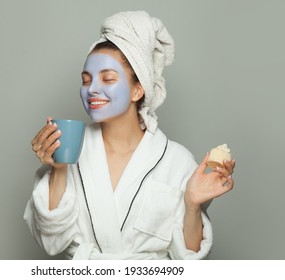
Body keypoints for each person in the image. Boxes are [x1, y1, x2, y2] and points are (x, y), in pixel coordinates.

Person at [24, 11, 235, 260]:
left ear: (138, 89)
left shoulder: (176, 161)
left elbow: (188, 261)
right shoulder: (72, 150)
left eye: (108, 78)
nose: (92, 89)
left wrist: (192, 205)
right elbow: (51, 241)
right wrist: (59, 168)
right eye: (86, 80)